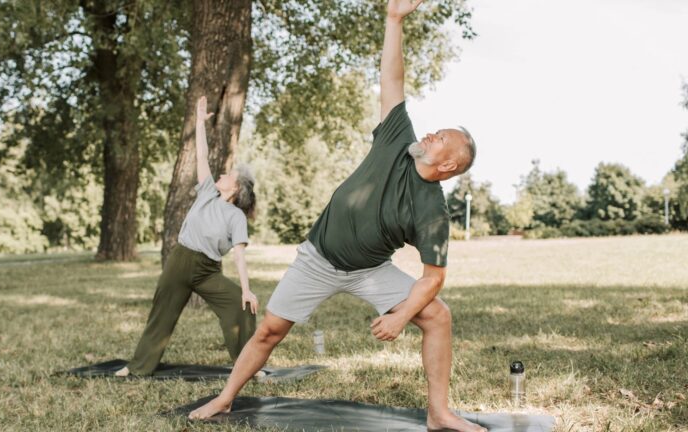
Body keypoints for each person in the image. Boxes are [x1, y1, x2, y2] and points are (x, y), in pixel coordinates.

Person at [189, 0, 484, 430]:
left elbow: (433, 277)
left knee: (438, 315)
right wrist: (394, 20)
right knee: (270, 331)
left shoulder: (432, 211)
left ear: (448, 167)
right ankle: (225, 398)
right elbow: (391, 78)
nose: (431, 133)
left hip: (369, 270)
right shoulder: (397, 140)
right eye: (437, 130)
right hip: (318, 258)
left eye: (442, 139)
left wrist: (401, 316)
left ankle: (439, 413)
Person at [115, 96, 259, 377]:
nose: (221, 173)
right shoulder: (207, 191)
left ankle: (248, 368)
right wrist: (199, 122)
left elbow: (239, 256)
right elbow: (201, 155)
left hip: (207, 270)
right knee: (162, 314)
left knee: (240, 306)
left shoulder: (236, 217)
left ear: (236, 188)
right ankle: (138, 367)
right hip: (181, 261)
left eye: (227, 175)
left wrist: (246, 290)